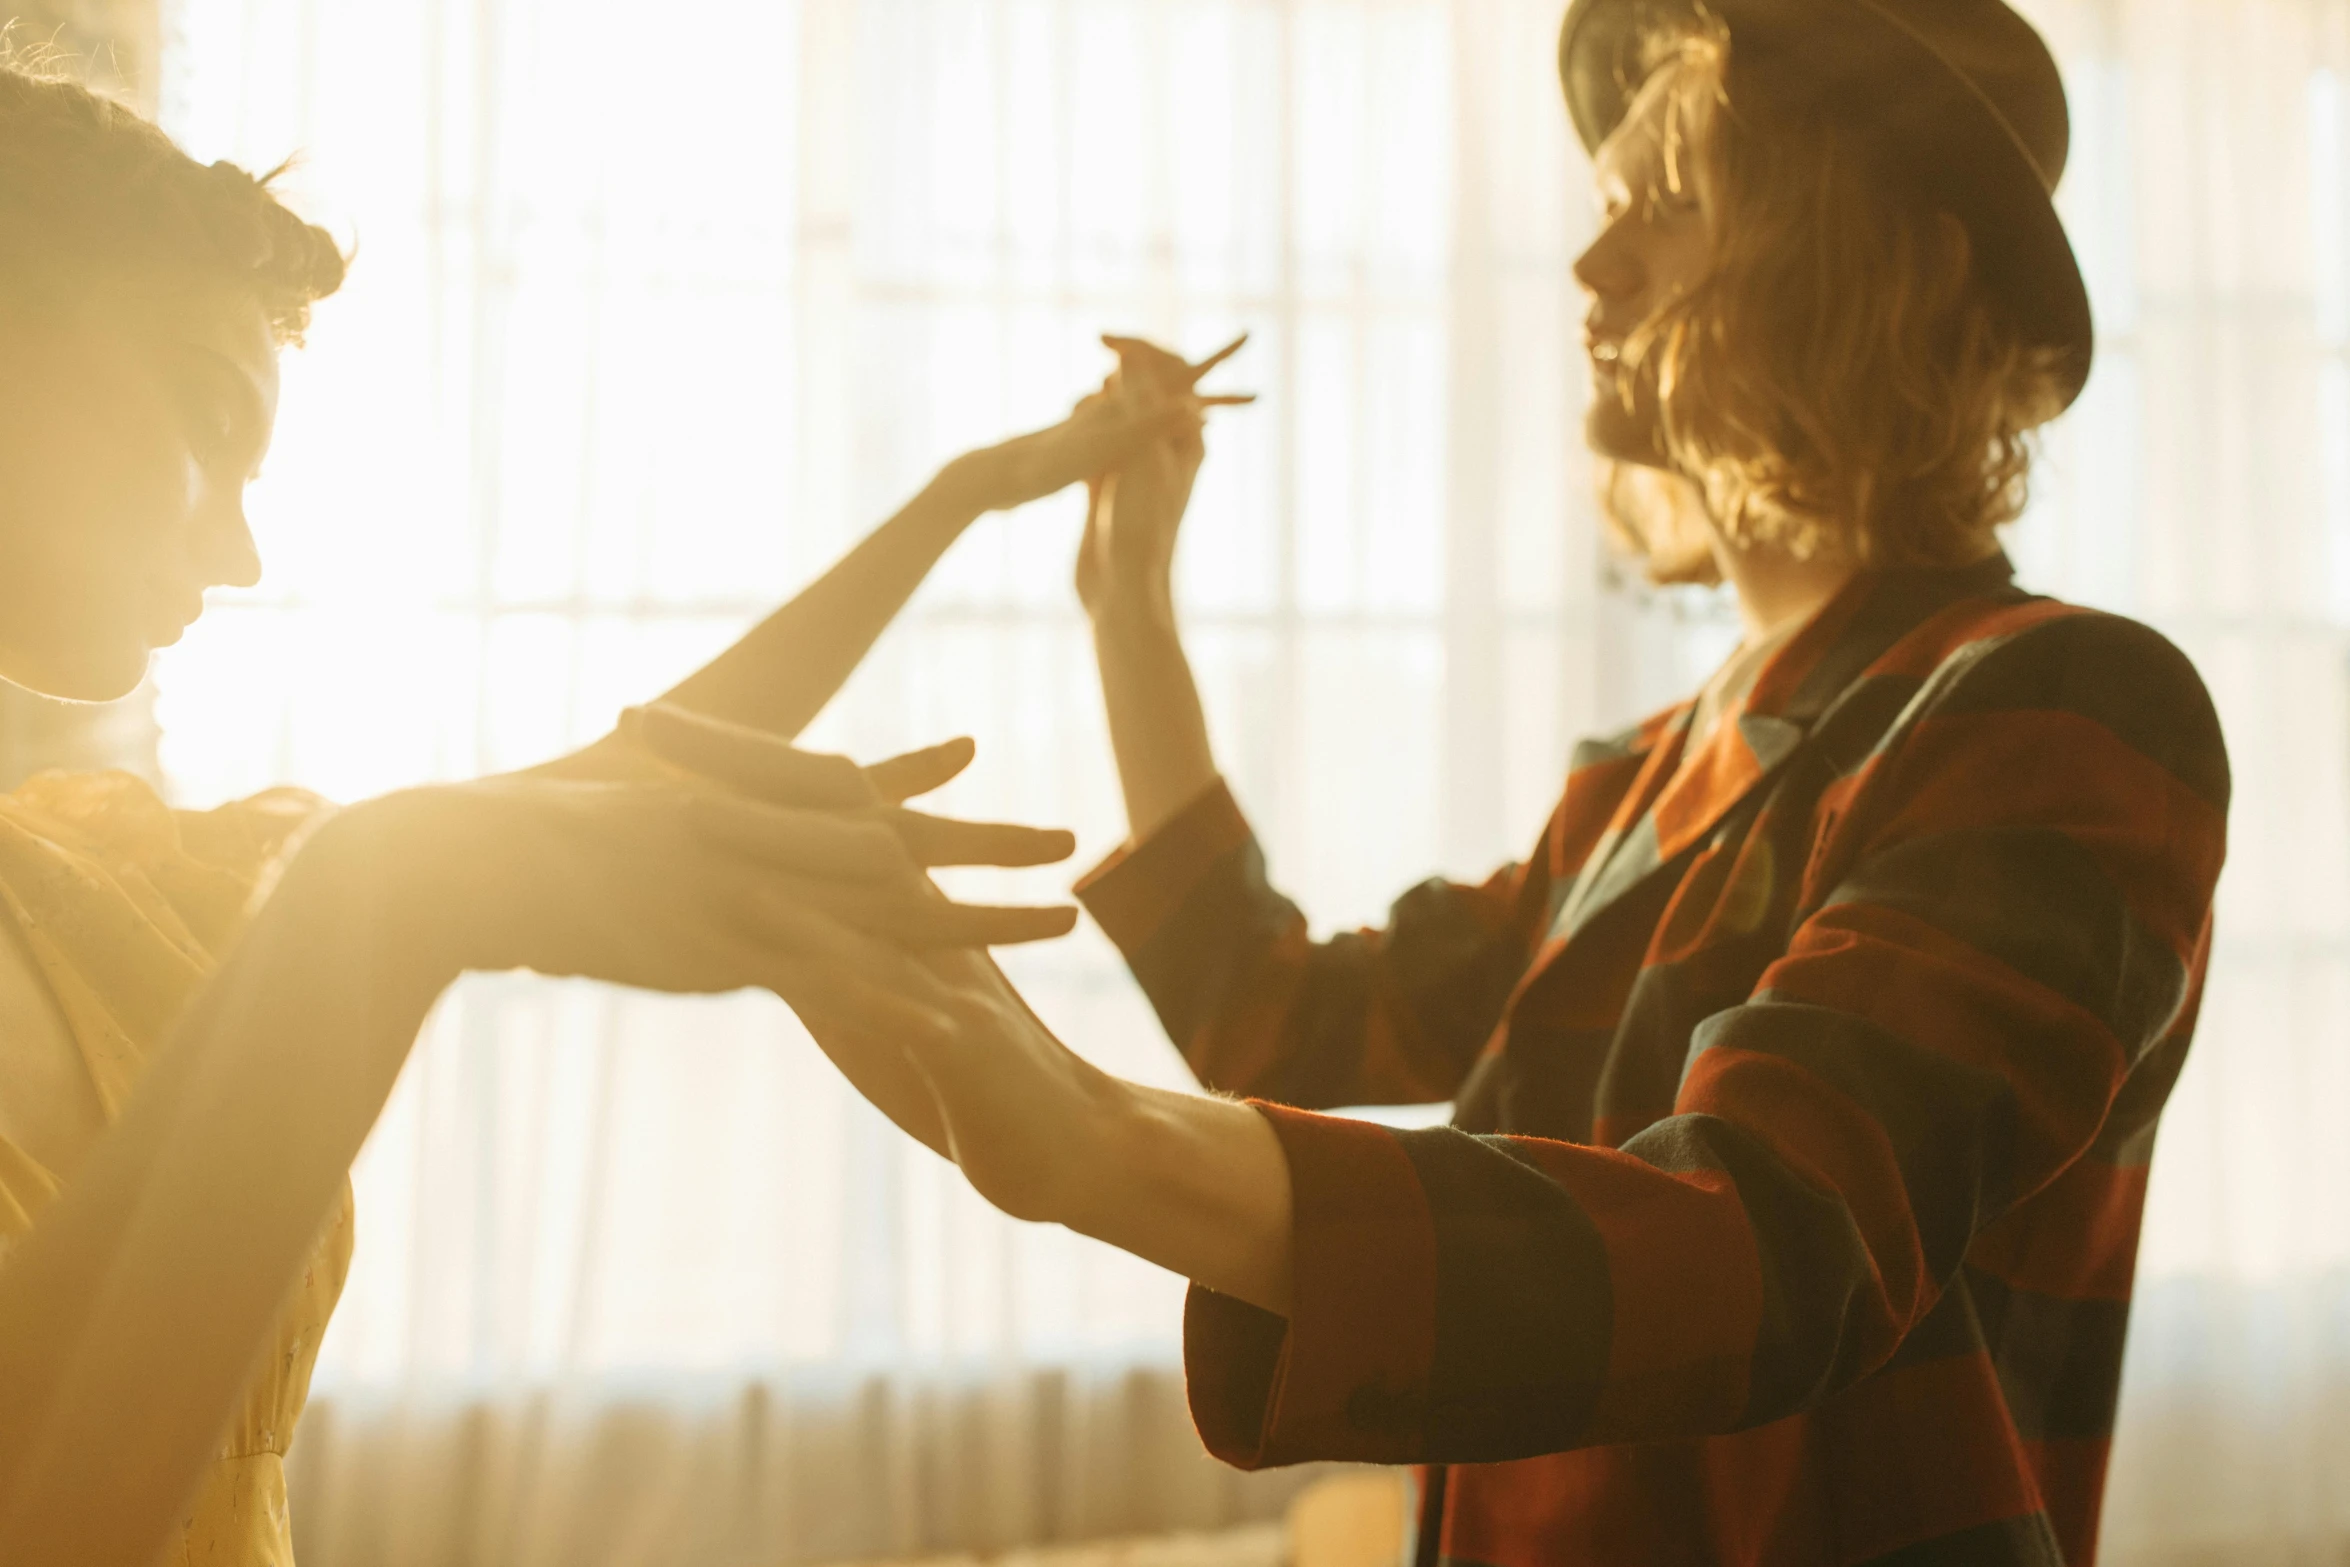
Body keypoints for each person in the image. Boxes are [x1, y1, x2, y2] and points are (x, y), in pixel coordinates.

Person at [808, 3, 2234, 1563]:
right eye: (1607, 208)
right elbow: (1269, 1016)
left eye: (1666, 204)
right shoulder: (1639, 783)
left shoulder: (2061, 709)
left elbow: (1766, 1239)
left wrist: (1102, 1141)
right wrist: (1127, 600)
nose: (1591, 267)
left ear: (1878, 256)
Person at [0, 55, 1232, 1567]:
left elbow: (641, 771)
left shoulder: (100, 885)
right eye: (202, 408)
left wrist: (965, 497)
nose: (243, 553)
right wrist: (374, 903)